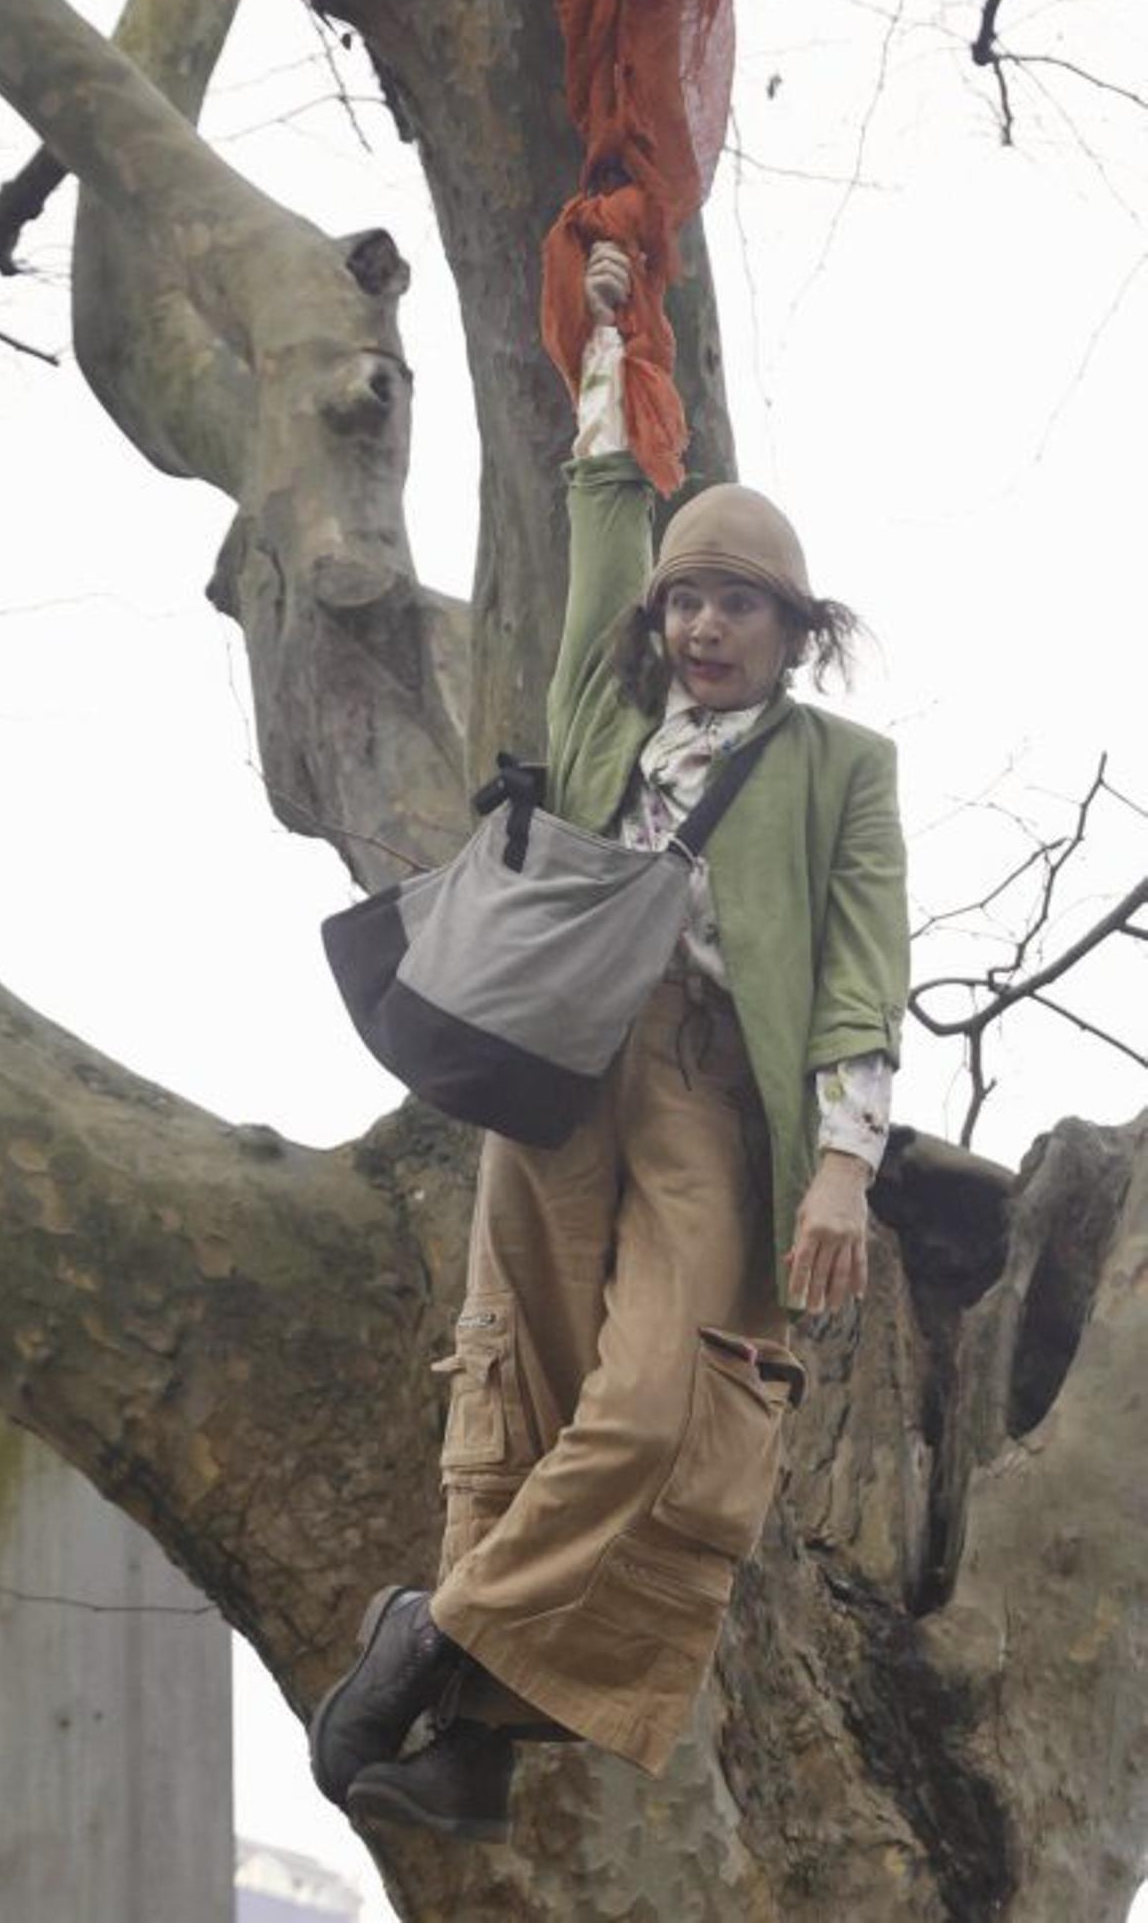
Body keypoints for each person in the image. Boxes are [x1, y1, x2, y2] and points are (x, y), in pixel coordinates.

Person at [308, 241, 909, 1843]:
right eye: (691, 597)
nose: (709, 624)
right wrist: (609, 341)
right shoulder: (608, 716)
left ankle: (433, 1633)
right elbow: (597, 510)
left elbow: (865, 967)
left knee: (657, 1415)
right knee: (520, 1389)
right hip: (561, 1062)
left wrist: (843, 1162)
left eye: (744, 605)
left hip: (718, 1093)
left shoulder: (842, 768)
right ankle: (482, 1744)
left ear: (794, 627)